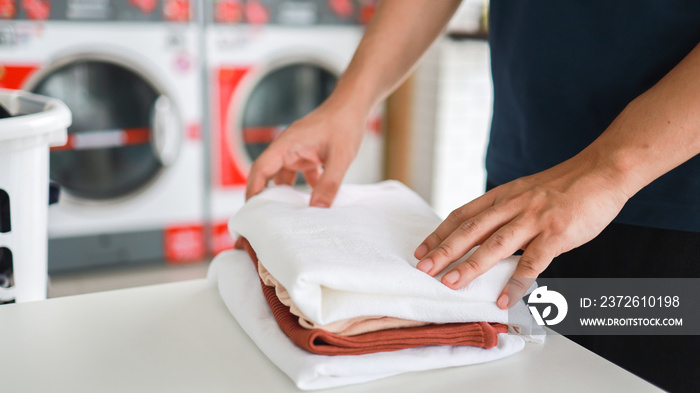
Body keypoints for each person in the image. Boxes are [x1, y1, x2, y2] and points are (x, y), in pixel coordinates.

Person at [246, 1, 700, 391]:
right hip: (517, 205)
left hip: (672, 225)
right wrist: (350, 100)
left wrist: (608, 170)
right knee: (519, 371)